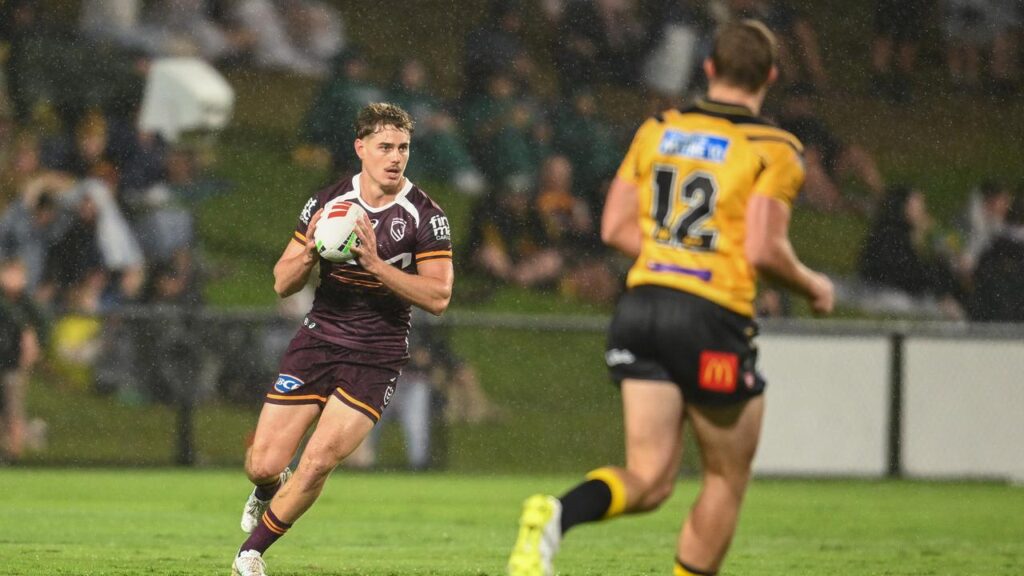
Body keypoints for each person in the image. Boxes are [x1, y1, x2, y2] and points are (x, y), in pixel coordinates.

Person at [507, 20, 834, 576]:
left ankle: (557, 514)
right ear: (772, 76)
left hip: (643, 305)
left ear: (708, 67)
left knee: (651, 478)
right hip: (712, 315)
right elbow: (762, 246)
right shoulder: (775, 147)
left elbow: (613, 228)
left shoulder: (659, 127)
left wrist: (670, 252)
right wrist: (814, 284)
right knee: (726, 477)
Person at [230, 102, 453, 576]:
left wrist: (375, 266)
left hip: (377, 355)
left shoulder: (425, 216)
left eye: (404, 148)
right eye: (385, 147)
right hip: (318, 342)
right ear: (361, 148)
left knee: (318, 461)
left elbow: (438, 296)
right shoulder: (328, 203)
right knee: (262, 463)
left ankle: (251, 552)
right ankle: (268, 488)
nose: (396, 157)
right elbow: (281, 283)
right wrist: (310, 251)